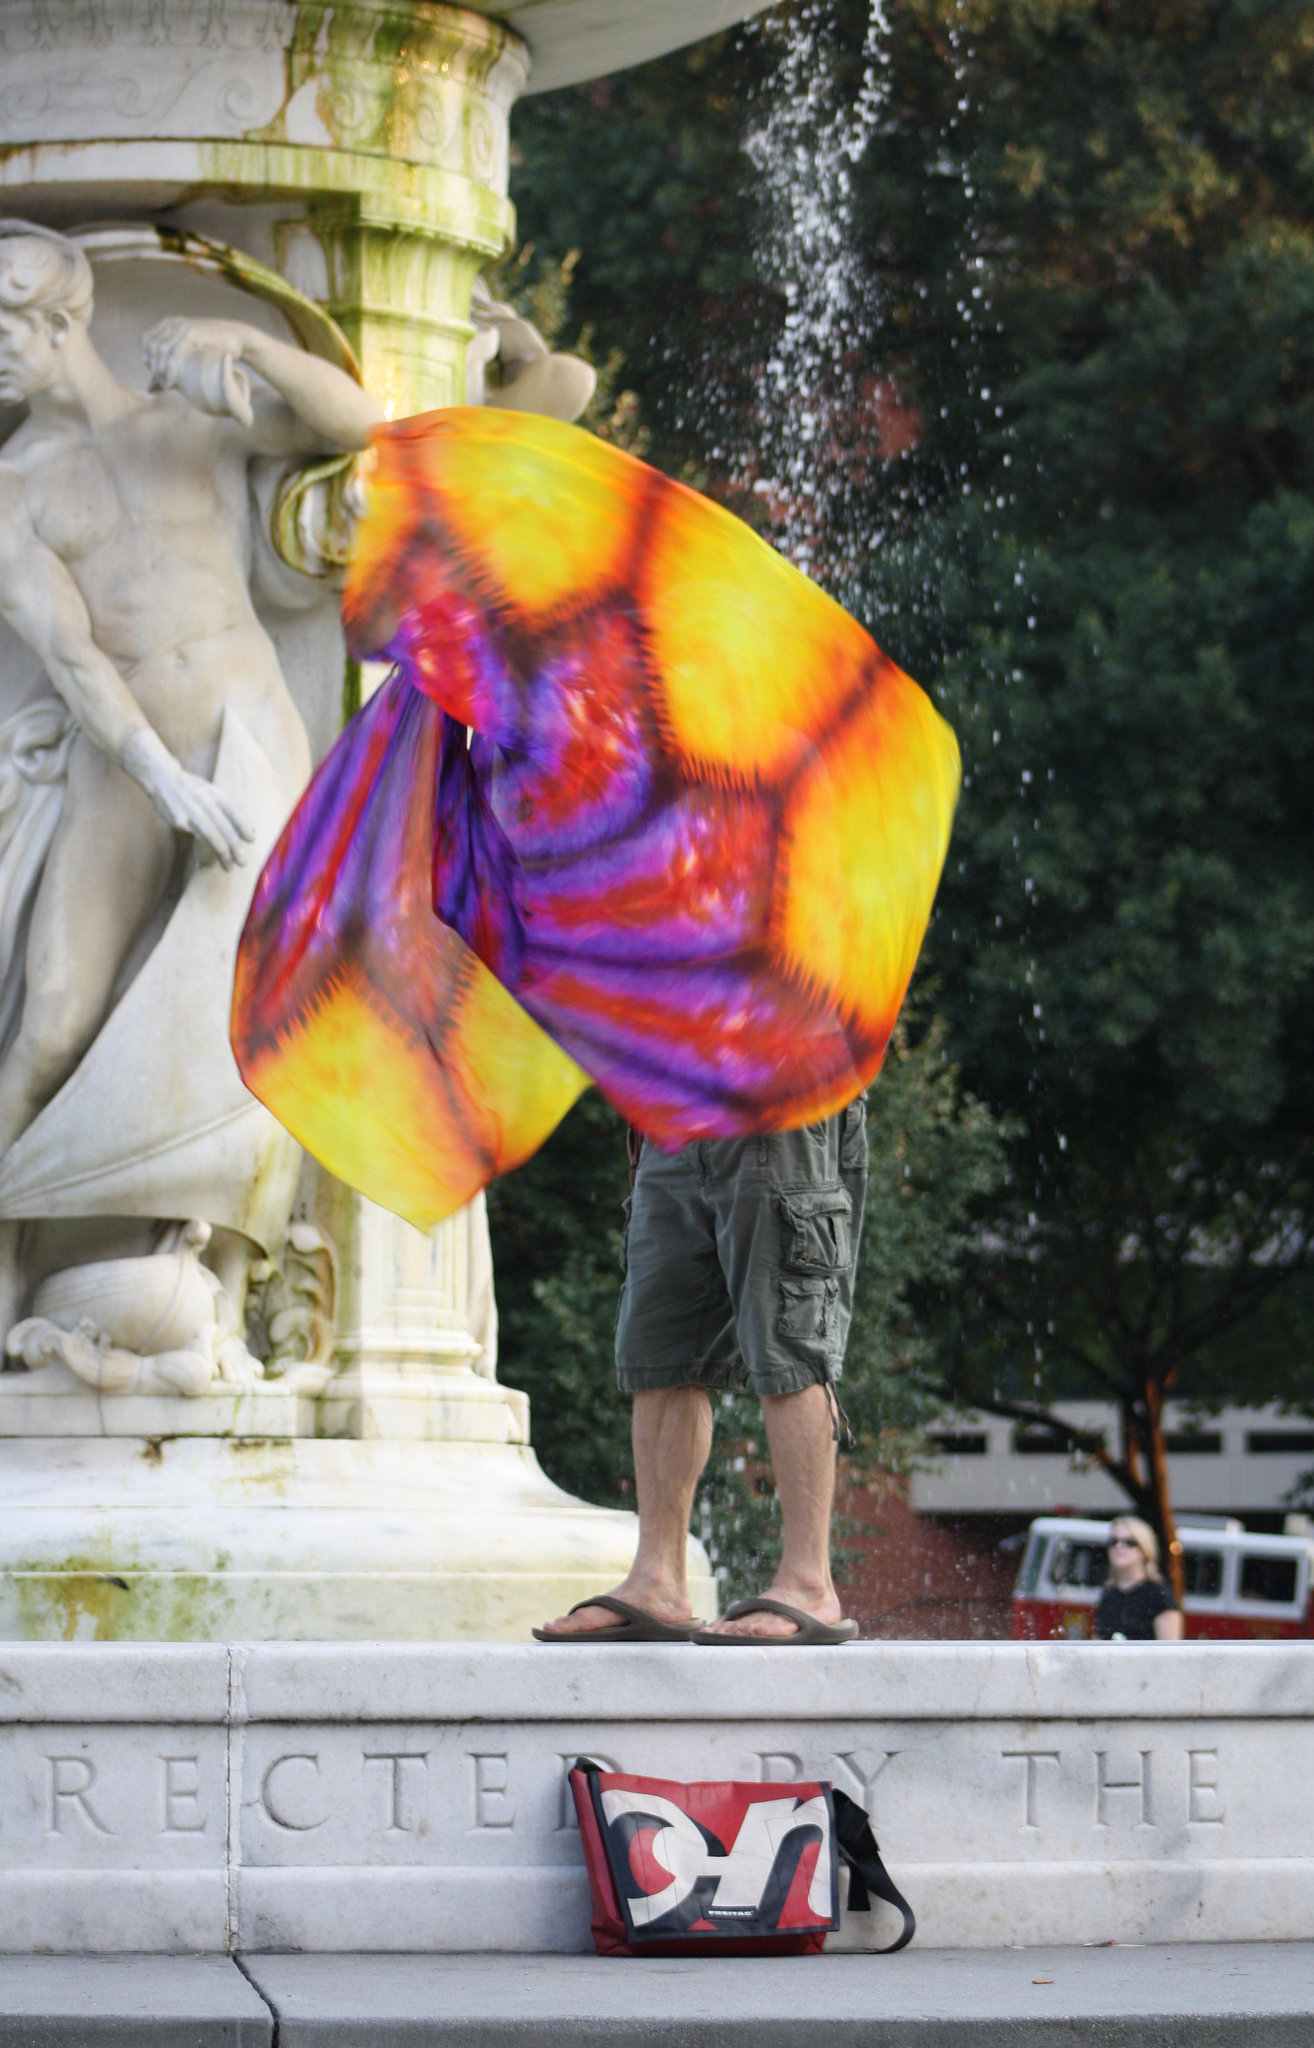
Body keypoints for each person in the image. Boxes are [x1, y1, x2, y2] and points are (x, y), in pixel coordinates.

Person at [0, 221, 381, 1329]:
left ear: (57, 320)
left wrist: (243, 343)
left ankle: (223, 1284)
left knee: (266, 1010)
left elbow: (373, 430)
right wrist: (164, 781)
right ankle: (11, 1251)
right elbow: (71, 652)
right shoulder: (14, 485)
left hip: (249, 740)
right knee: (54, 1016)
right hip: (132, 760)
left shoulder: (185, 422)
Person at [536, 1102, 868, 1643]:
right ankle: (656, 1580)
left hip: (778, 1090)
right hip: (674, 1103)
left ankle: (808, 1583)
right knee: (661, 1352)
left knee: (790, 1340)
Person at [1094, 1515, 1185, 1641]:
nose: (1119, 1547)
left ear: (1144, 1550)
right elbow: (1097, 1644)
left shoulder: (1159, 1595)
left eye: (1130, 1542)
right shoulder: (1109, 1594)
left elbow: (1169, 1653)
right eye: (1113, 1542)